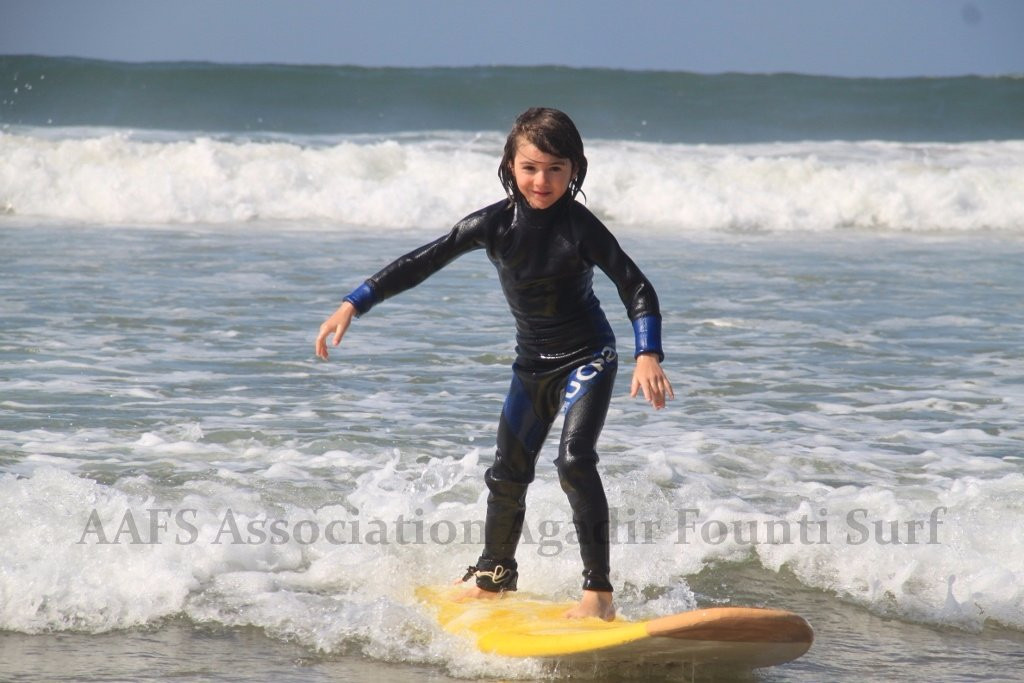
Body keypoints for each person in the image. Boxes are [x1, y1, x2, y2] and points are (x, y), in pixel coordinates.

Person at [315, 107, 673, 620]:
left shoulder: (580, 227)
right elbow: (424, 260)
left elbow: (634, 285)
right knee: (507, 474)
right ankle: (493, 577)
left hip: (588, 358)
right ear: (510, 165)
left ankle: (598, 595)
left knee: (574, 462)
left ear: (575, 169)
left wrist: (647, 353)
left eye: (555, 168)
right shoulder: (494, 224)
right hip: (531, 365)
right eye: (530, 167)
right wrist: (354, 302)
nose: (542, 180)